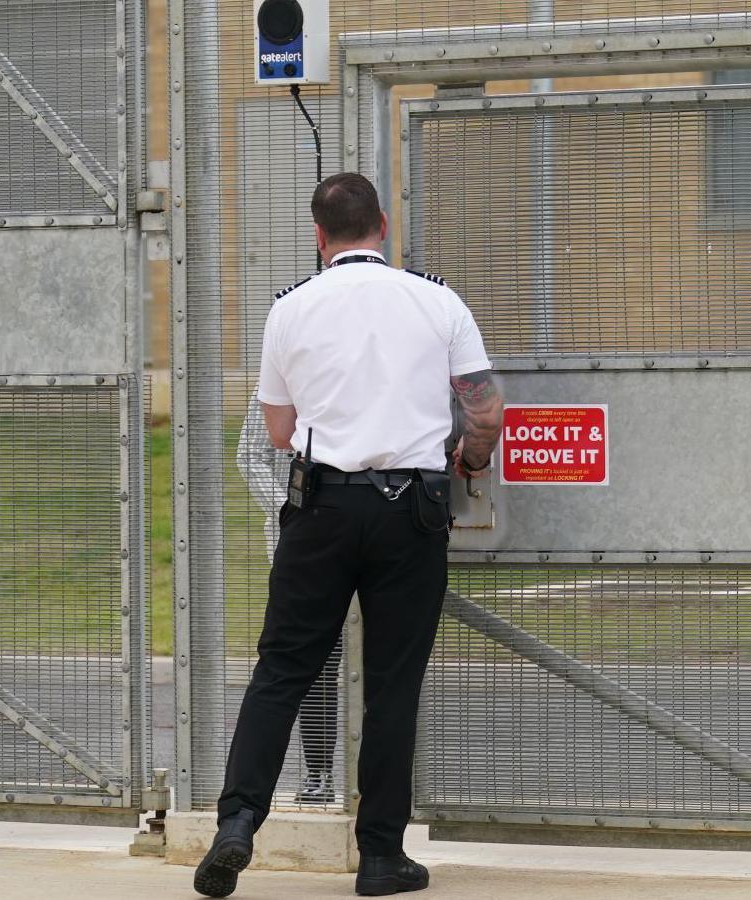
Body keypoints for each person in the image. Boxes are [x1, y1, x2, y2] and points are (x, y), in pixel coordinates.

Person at [195, 172, 503, 898]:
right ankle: (380, 857)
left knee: (283, 670)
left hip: (322, 510)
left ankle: (237, 824)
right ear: (384, 226)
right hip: (412, 512)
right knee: (393, 684)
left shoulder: (290, 311)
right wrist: (471, 458)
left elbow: (277, 429)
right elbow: (484, 410)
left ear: (318, 235)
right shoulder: (437, 300)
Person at [235, 390, 340, 806]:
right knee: (316, 664)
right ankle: (319, 773)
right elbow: (250, 456)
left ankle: (377, 787)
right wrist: (291, 515)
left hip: (374, 535)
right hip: (299, 547)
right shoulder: (284, 368)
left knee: (381, 666)